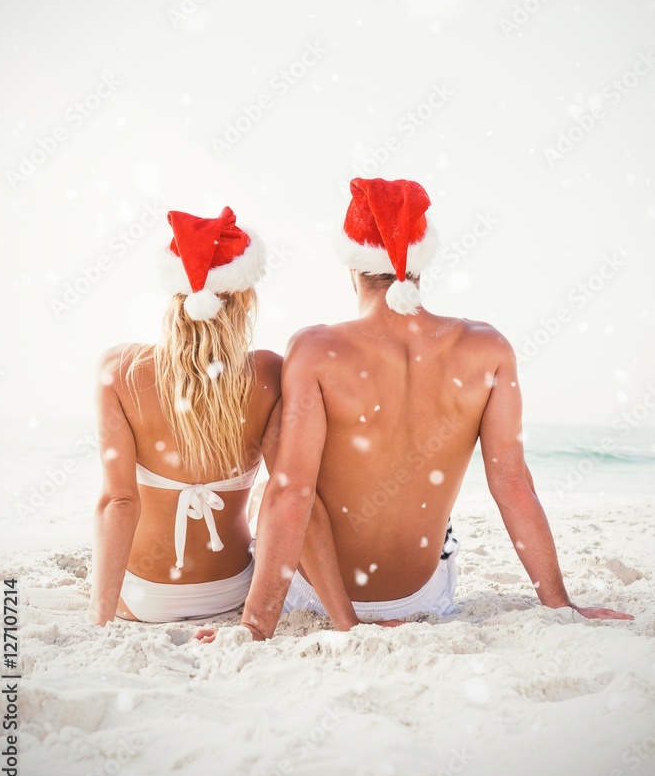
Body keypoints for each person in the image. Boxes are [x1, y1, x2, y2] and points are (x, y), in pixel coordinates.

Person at [199, 177, 633, 642]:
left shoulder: (316, 349)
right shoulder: (487, 349)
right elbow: (511, 484)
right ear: (422, 263)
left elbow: (292, 494)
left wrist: (255, 625)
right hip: (422, 598)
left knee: (279, 482)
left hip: (315, 593)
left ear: (352, 267)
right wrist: (560, 604)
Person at [89, 206, 282, 625]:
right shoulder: (269, 373)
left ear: (176, 294)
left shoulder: (120, 369)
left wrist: (98, 618)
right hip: (232, 590)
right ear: (246, 297)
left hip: (144, 597)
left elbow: (119, 503)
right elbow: (287, 492)